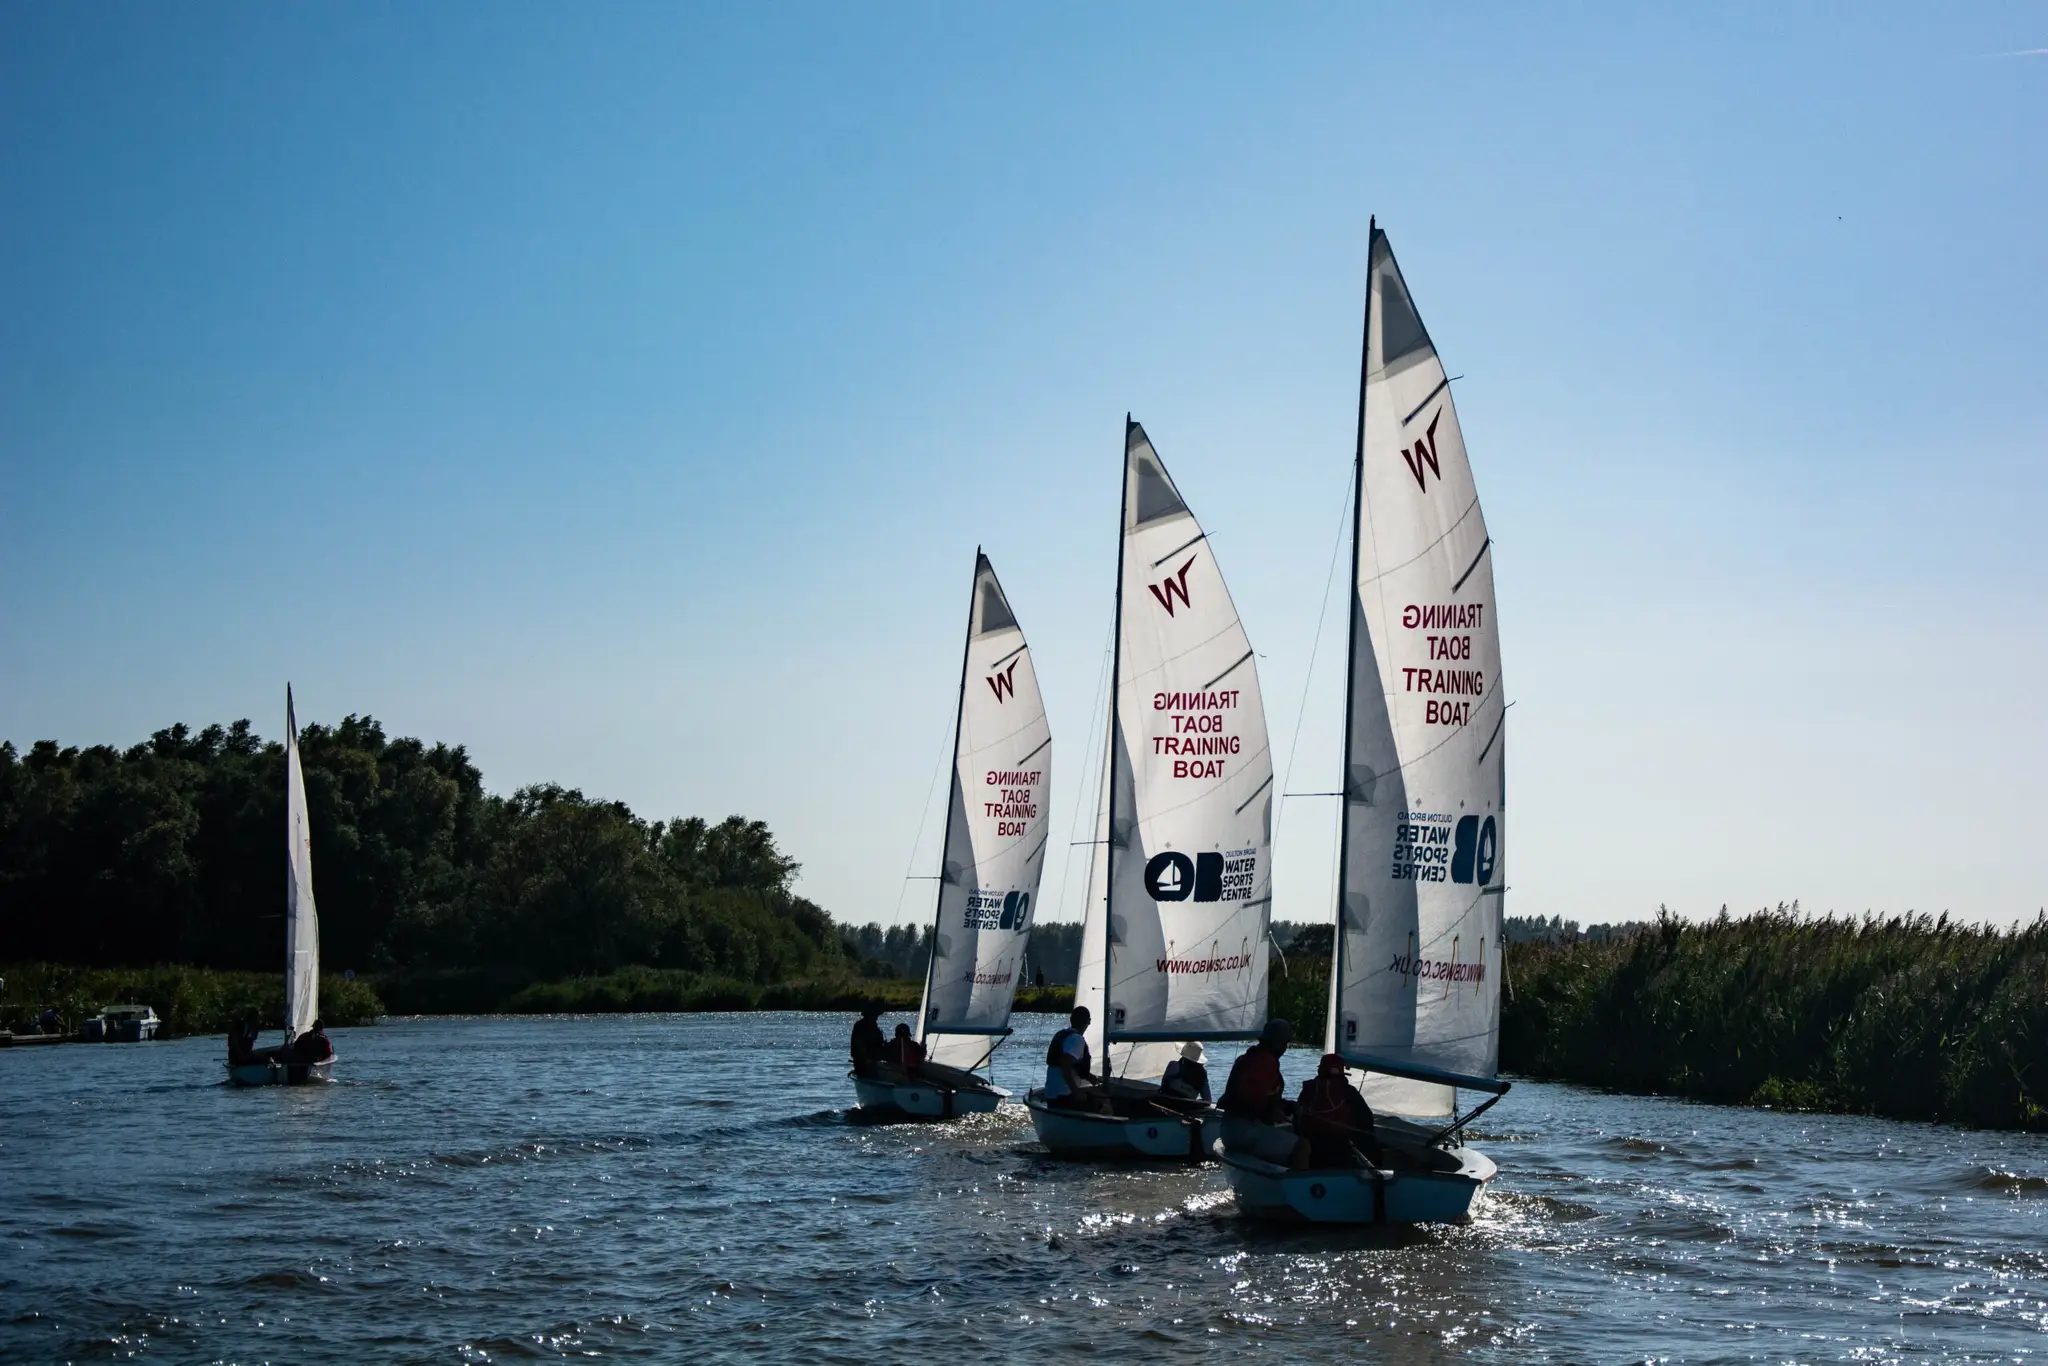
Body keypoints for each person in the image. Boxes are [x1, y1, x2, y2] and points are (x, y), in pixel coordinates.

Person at [1219, 1018, 1303, 1164]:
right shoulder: (1265, 1063)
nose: (1285, 1048)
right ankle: (1300, 1183)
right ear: (1277, 1043)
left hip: (1230, 1129)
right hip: (1243, 1131)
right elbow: (1254, 1100)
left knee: (1288, 1133)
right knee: (1303, 1147)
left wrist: (1288, 1106)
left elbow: (1260, 1096)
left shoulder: (1249, 1059)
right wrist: (1274, 1112)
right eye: (1285, 1044)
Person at [1294, 1053, 1382, 1169]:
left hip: (1312, 1152)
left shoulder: (1308, 1091)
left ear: (1320, 1070)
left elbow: (1297, 1121)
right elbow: (1366, 1121)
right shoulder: (1348, 1092)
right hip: (1342, 1151)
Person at [1042, 1006, 1099, 1110]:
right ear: (1087, 1022)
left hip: (1051, 1097)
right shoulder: (1077, 1040)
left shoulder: (1062, 1035)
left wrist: (1089, 1076)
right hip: (1065, 1098)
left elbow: (1070, 1065)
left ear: (1071, 1020)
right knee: (1105, 1106)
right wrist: (1076, 1091)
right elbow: (1065, 1064)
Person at [849, 1003, 886, 1077]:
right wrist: (867, 1060)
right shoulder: (860, 1026)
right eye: (875, 1015)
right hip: (864, 1065)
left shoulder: (875, 1028)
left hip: (873, 1063)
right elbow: (859, 1045)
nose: (877, 1017)